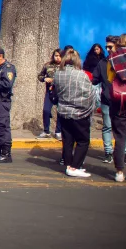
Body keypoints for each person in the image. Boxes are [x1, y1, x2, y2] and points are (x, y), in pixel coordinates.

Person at [53, 50, 96, 178]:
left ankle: (68, 165)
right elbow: (90, 94)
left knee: (67, 140)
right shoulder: (81, 75)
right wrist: (88, 109)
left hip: (64, 111)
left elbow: (56, 92)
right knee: (83, 141)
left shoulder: (58, 74)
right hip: (79, 112)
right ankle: (75, 166)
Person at [92, 35, 126, 165]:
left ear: (117, 46)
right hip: (107, 100)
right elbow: (95, 79)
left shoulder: (125, 61)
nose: (108, 49)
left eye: (110, 46)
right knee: (107, 126)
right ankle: (108, 152)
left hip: (124, 100)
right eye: (106, 47)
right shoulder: (103, 63)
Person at [108, 34, 126, 183]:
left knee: (120, 137)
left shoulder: (113, 57)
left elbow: (109, 78)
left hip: (119, 100)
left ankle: (119, 172)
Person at [37, 49, 63, 140]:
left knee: (60, 112)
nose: (58, 57)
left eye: (60, 56)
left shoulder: (65, 66)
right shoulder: (47, 65)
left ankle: (58, 131)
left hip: (61, 92)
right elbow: (40, 76)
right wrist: (45, 79)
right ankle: (46, 131)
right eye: (56, 55)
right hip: (50, 92)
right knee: (46, 110)